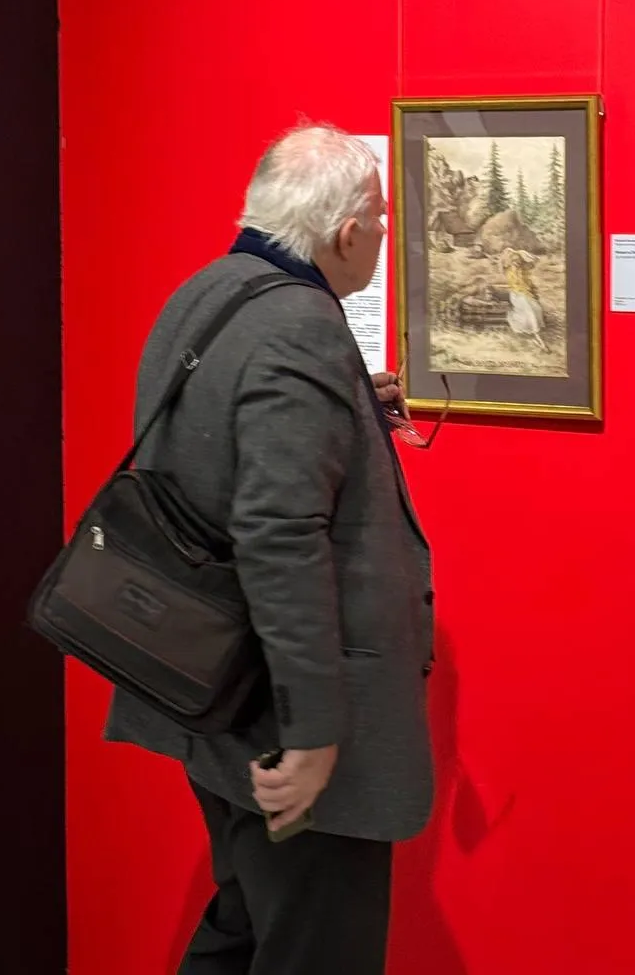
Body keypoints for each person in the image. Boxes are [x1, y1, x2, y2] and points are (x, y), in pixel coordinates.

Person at [104, 124, 435, 975]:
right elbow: (279, 537)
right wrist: (314, 733)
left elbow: (220, 447)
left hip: (212, 691)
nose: (382, 236)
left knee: (243, 929)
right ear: (348, 233)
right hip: (285, 722)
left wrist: (346, 406)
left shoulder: (209, 291)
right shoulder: (300, 327)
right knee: (313, 948)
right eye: (381, 221)